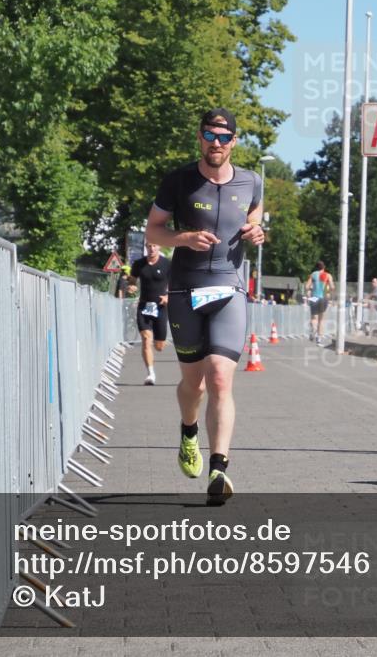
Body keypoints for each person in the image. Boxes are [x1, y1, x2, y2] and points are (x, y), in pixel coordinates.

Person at [144, 107, 264, 505]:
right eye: (209, 136)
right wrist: (183, 239)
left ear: (234, 141)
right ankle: (189, 430)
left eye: (224, 137)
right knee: (192, 385)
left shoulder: (251, 181)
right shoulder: (178, 180)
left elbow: (255, 216)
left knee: (220, 378)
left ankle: (219, 467)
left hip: (229, 290)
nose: (216, 144)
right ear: (199, 137)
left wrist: (258, 230)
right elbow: (154, 230)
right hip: (185, 293)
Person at [128, 244, 171, 385]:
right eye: (149, 246)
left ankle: (158, 344)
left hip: (160, 307)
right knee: (146, 339)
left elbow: (176, 283)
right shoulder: (139, 264)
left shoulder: (167, 264)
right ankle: (150, 374)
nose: (152, 249)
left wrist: (167, 297)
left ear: (159, 247)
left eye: (154, 246)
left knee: (159, 346)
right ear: (146, 247)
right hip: (144, 306)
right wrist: (131, 286)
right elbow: (132, 281)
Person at [306, 261, 335, 344]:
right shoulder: (328, 275)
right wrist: (329, 289)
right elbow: (332, 287)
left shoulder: (313, 274)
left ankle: (313, 330)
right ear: (324, 267)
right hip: (323, 297)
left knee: (313, 317)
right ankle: (319, 337)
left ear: (316, 267)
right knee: (321, 319)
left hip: (314, 297)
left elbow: (307, 286)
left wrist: (310, 290)